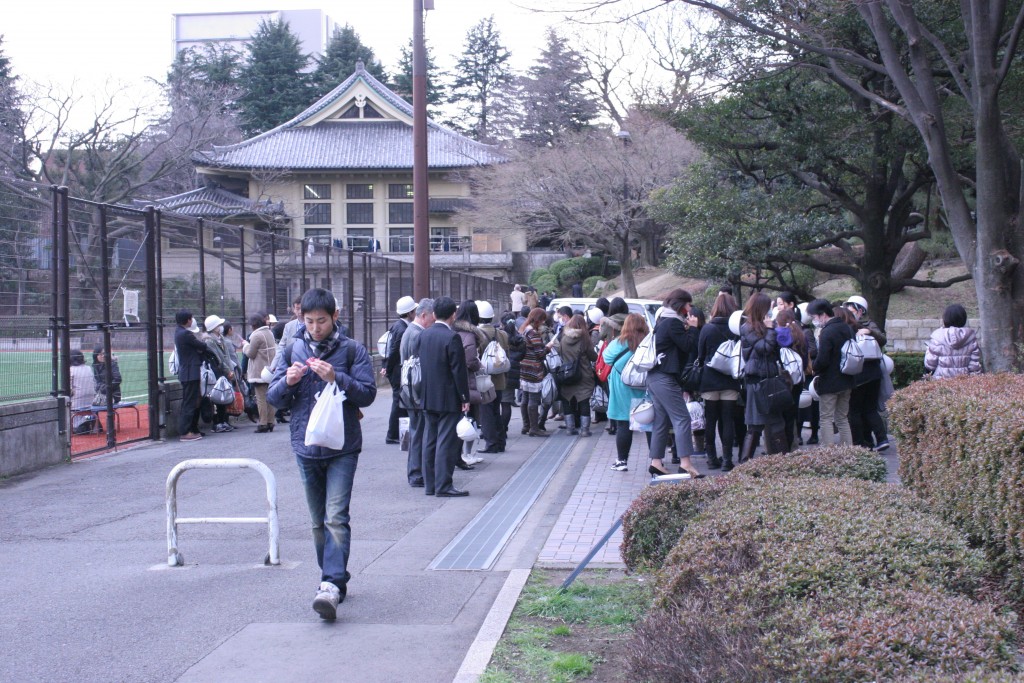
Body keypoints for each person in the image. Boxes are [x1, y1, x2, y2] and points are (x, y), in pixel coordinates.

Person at [267, 288, 377, 621]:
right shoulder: (291, 349)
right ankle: (333, 579)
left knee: (335, 517)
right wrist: (287, 381)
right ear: (301, 318)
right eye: (309, 321)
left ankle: (329, 584)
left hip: (343, 446)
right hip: (305, 446)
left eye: (322, 321)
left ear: (335, 317)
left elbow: (368, 394)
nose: (316, 327)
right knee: (317, 522)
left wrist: (336, 377)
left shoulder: (352, 350)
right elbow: (273, 398)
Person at [418, 296, 472, 497]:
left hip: (427, 395)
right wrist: (465, 397)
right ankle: (443, 485)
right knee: (445, 442)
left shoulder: (423, 335)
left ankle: (430, 485)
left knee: (429, 439)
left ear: (433, 314)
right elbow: (459, 371)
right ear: (453, 315)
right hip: (448, 397)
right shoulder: (452, 338)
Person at [646, 289, 702, 479]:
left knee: (661, 421)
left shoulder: (662, 321)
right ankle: (686, 464)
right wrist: (693, 329)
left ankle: (656, 463)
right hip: (665, 377)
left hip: (655, 377)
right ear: (681, 305)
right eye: (688, 304)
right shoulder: (672, 323)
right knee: (682, 419)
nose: (690, 309)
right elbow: (688, 346)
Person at [739, 293, 789, 461]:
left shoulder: (765, 325)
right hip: (757, 379)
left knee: (775, 421)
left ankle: (781, 460)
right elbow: (764, 348)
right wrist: (769, 330)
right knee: (755, 423)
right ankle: (746, 461)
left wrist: (775, 329)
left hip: (769, 377)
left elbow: (777, 347)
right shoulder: (747, 327)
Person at [698, 292, 741, 471]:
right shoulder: (737, 329)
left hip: (710, 379)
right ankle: (727, 460)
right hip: (730, 380)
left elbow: (700, 356)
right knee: (728, 420)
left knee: (711, 420)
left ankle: (711, 458)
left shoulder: (707, 329)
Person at [604, 314, 650, 471]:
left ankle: (622, 461)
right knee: (648, 423)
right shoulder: (649, 342)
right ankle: (655, 461)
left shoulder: (619, 342)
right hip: (644, 385)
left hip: (622, 385)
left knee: (624, 423)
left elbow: (607, 358)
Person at [843, 296, 889, 451]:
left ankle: (862, 442)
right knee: (867, 409)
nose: (848, 312)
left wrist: (869, 332)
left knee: (857, 409)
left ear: (860, 310)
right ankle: (876, 440)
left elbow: (882, 339)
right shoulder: (849, 325)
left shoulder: (867, 325)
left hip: (861, 374)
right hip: (872, 372)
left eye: (851, 308)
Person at [807, 298, 855, 447]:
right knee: (842, 417)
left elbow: (823, 359)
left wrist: (813, 367)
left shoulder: (827, 332)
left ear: (822, 314)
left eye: (814, 317)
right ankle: (849, 451)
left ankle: (829, 453)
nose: (814, 320)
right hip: (847, 379)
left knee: (826, 418)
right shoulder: (846, 327)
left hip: (829, 382)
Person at [400, 298, 435, 488]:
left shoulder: (410, 332)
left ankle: (416, 472)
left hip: (410, 390)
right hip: (415, 391)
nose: (433, 321)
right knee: (418, 433)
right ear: (423, 316)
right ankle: (416, 473)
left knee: (418, 432)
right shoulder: (416, 334)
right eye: (432, 317)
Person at [454, 300, 488, 467]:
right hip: (469, 381)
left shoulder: (454, 331)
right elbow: (470, 360)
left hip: (455, 381)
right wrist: (478, 365)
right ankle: (465, 454)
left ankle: (462, 454)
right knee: (471, 418)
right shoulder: (470, 335)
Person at [553, 313, 598, 436]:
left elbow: (561, 354)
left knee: (567, 400)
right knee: (584, 401)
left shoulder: (563, 338)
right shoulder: (584, 339)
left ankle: (570, 428)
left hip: (567, 375)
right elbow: (593, 357)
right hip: (583, 374)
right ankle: (584, 430)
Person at [174, 310, 215, 442]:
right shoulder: (185, 334)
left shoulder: (179, 332)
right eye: (191, 318)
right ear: (187, 320)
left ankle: (191, 429)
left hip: (188, 371)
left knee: (191, 401)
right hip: (190, 372)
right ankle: (185, 432)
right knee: (189, 403)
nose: (192, 321)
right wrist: (205, 340)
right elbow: (202, 346)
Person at [476, 300, 509, 453]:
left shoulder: (477, 334)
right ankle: (500, 442)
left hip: (484, 380)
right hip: (500, 379)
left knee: (486, 413)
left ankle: (491, 444)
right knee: (496, 410)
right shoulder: (501, 334)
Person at [383, 295, 417, 444]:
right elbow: (395, 351)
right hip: (397, 370)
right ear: (409, 313)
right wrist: (389, 369)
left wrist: (386, 367)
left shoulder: (397, 326)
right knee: (398, 402)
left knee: (399, 401)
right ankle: (392, 434)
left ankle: (397, 434)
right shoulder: (403, 329)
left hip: (395, 370)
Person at [775, 309, 809, 451]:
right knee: (792, 415)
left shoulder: (774, 335)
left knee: (778, 416)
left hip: (781, 381)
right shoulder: (801, 336)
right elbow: (806, 362)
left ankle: (779, 447)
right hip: (797, 381)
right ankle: (792, 446)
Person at [925, 303, 983, 379]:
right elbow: (975, 368)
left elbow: (930, 365)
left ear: (945, 319)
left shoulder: (937, 338)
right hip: (964, 383)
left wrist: (928, 351)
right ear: (963, 319)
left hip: (940, 384)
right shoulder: (971, 339)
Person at [519, 307, 551, 437]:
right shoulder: (533, 333)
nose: (543, 322)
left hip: (524, 366)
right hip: (533, 368)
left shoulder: (523, 330)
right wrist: (548, 348)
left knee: (525, 397)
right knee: (533, 398)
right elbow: (540, 353)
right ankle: (534, 428)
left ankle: (526, 425)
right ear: (538, 319)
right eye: (543, 320)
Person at [203, 314, 237, 434]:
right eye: (219, 325)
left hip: (225, 371)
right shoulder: (209, 342)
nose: (221, 327)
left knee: (225, 394)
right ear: (215, 327)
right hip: (217, 371)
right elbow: (219, 358)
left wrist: (230, 369)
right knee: (217, 396)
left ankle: (224, 420)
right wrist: (228, 370)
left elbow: (226, 357)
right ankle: (217, 422)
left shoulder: (220, 339)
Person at [243, 312, 277, 433]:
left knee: (261, 398)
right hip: (270, 369)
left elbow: (251, 354)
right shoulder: (269, 333)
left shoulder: (256, 335)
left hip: (259, 371)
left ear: (253, 324)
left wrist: (245, 346)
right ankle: (271, 421)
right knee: (270, 397)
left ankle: (263, 423)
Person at [70, 350, 97, 434]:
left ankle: (77, 426)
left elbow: (69, 390)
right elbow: (94, 384)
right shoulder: (88, 368)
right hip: (91, 401)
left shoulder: (71, 370)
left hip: (77, 403)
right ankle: (86, 421)